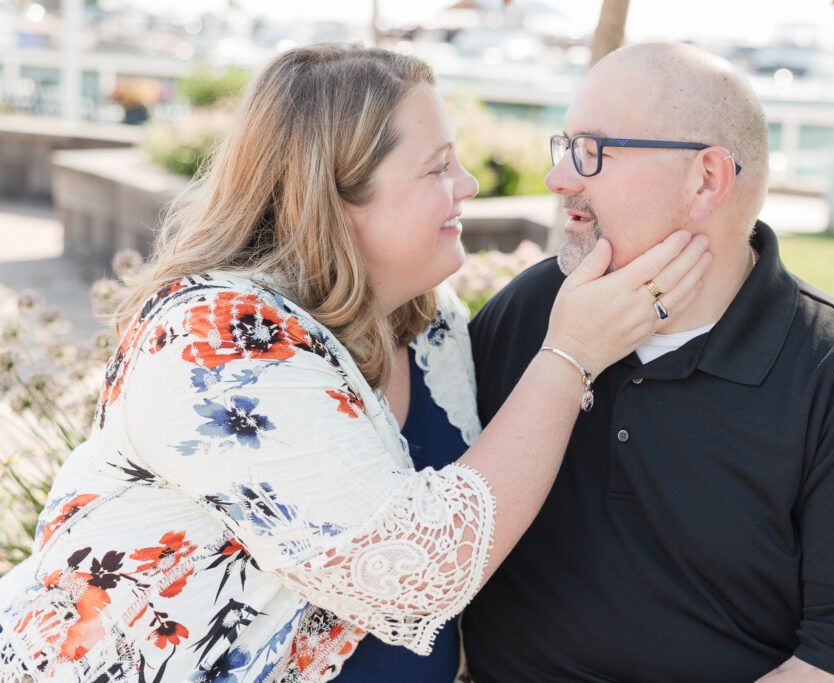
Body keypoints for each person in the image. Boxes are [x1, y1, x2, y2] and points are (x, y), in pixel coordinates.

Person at [0, 44, 710, 682]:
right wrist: (571, 354)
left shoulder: (431, 326)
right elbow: (415, 573)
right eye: (438, 167)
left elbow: (487, 504)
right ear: (334, 199)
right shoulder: (213, 341)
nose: (467, 185)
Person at [464, 42, 834, 682]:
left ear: (706, 180)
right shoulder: (531, 314)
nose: (560, 178)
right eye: (564, 147)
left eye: (592, 151)